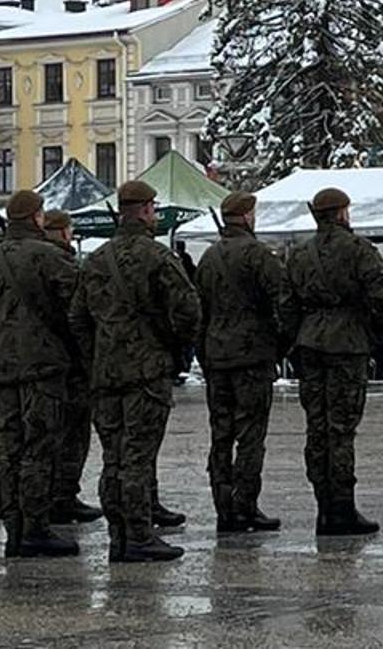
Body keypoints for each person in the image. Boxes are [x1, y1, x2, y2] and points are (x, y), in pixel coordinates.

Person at [69, 182, 201, 562]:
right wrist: (175, 348)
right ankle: (140, 536)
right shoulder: (158, 257)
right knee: (139, 458)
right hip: (146, 372)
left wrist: (97, 354)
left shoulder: (96, 260)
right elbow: (188, 311)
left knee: (114, 457)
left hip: (106, 374)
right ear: (144, 210)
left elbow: (77, 318)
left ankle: (119, 537)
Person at [0, 190, 82, 558]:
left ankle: (13, 527)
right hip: (43, 368)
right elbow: (78, 312)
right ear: (36, 218)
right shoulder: (50, 257)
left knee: (10, 449)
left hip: (3, 370)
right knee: (39, 447)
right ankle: (35, 527)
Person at [286, 187, 383, 536]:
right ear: (342, 213)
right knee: (341, 428)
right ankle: (342, 509)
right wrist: (370, 328)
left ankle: (323, 508)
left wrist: (296, 338)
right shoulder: (359, 250)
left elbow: (287, 304)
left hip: (310, 343)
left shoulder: (300, 254)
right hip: (347, 343)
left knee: (316, 427)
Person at [195, 191, 291, 534]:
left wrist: (203, 353)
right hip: (252, 357)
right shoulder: (257, 255)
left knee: (220, 435)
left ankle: (224, 507)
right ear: (248, 216)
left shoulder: (208, 257)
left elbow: (199, 312)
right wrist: (280, 346)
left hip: (217, 358)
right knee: (250, 435)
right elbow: (284, 301)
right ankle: (245, 506)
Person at [37, 209, 99, 525]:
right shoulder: (63, 264)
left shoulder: (8, 258)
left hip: (28, 363)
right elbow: (80, 314)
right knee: (72, 433)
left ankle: (44, 499)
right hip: (67, 364)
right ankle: (63, 496)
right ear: (63, 233)